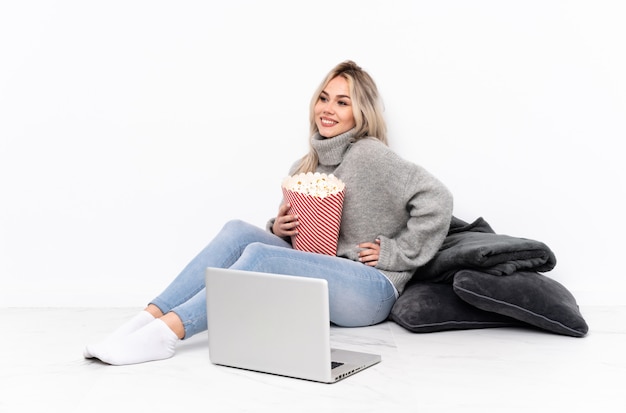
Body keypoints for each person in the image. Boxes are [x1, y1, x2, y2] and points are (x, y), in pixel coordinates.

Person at [83, 60, 454, 366]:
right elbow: (306, 249)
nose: (328, 109)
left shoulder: (370, 155)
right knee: (237, 232)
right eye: (323, 99)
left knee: (260, 257)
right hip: (323, 278)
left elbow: (437, 199)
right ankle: (145, 319)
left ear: (362, 111)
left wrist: (395, 252)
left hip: (371, 290)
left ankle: (168, 333)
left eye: (342, 102)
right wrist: (280, 228)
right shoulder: (304, 165)